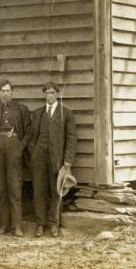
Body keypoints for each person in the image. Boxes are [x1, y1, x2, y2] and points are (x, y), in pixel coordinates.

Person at [29, 82, 77, 238]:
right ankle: (40, 224)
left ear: (57, 94)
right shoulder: (37, 113)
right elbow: (31, 137)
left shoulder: (66, 114)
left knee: (56, 191)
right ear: (44, 94)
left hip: (57, 159)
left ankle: (54, 224)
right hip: (39, 158)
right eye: (47, 92)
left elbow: (71, 139)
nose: (49, 95)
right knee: (38, 191)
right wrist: (33, 153)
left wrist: (68, 160)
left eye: (52, 92)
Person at [0, 78, 31, 236]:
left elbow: (28, 132)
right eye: (2, 91)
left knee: (15, 187)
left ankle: (17, 226)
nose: (5, 94)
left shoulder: (22, 109)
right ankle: (5, 224)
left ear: (12, 92)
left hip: (14, 147)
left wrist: (20, 148)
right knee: (2, 188)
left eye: (8, 91)